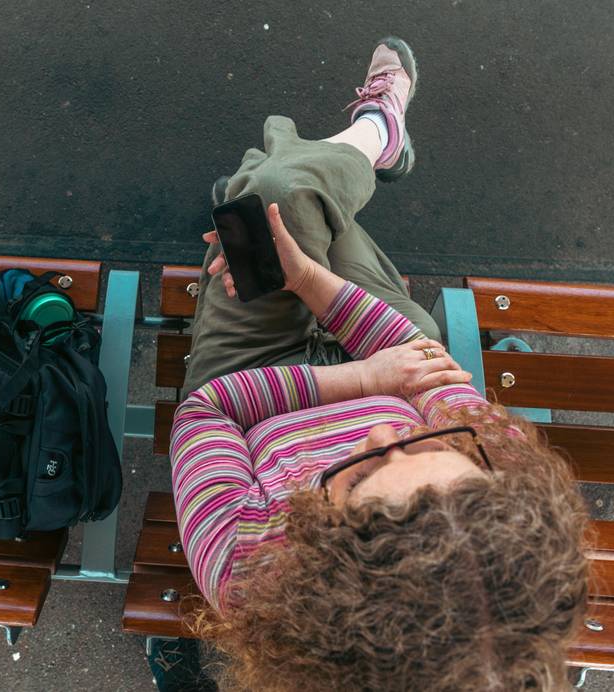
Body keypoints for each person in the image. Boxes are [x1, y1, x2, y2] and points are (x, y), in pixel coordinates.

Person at [170, 37, 589, 692]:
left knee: (273, 197)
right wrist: (308, 282)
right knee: (274, 209)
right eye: (433, 440)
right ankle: (351, 151)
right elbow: (423, 365)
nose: (380, 433)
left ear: (322, 573)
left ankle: (353, 147)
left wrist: (363, 381)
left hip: (254, 380)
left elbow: (209, 410)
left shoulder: (249, 573)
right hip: (388, 347)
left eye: (358, 473)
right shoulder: (502, 496)